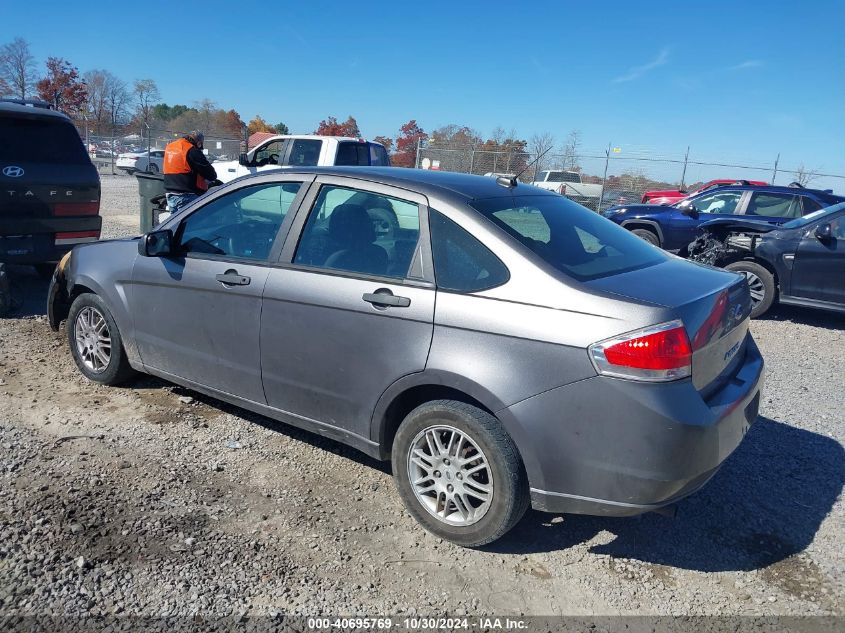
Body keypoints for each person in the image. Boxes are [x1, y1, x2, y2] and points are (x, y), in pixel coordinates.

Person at [163, 131, 217, 213]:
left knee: (177, 224)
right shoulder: (191, 150)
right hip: (187, 196)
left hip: (170, 195)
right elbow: (211, 174)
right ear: (199, 143)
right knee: (192, 224)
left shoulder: (170, 146)